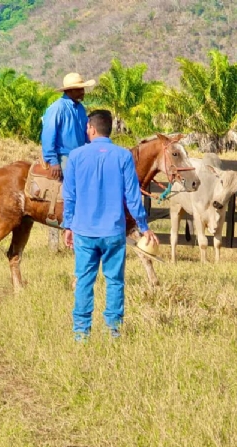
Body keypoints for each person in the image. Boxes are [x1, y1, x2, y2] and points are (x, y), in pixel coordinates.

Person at [62, 110, 159, 341]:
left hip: (84, 232)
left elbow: (70, 196)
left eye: (87, 127)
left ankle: (81, 334)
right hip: (114, 232)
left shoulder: (76, 156)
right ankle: (113, 332)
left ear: (92, 129)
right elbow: (133, 197)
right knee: (115, 281)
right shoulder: (123, 156)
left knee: (85, 279)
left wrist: (68, 226)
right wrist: (144, 226)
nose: (87, 130)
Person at [41, 72, 95, 180]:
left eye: (82, 89)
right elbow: (48, 136)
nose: (83, 92)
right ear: (70, 91)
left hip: (79, 155)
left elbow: (86, 133)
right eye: (79, 89)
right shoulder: (57, 108)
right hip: (64, 156)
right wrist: (53, 161)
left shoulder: (80, 109)